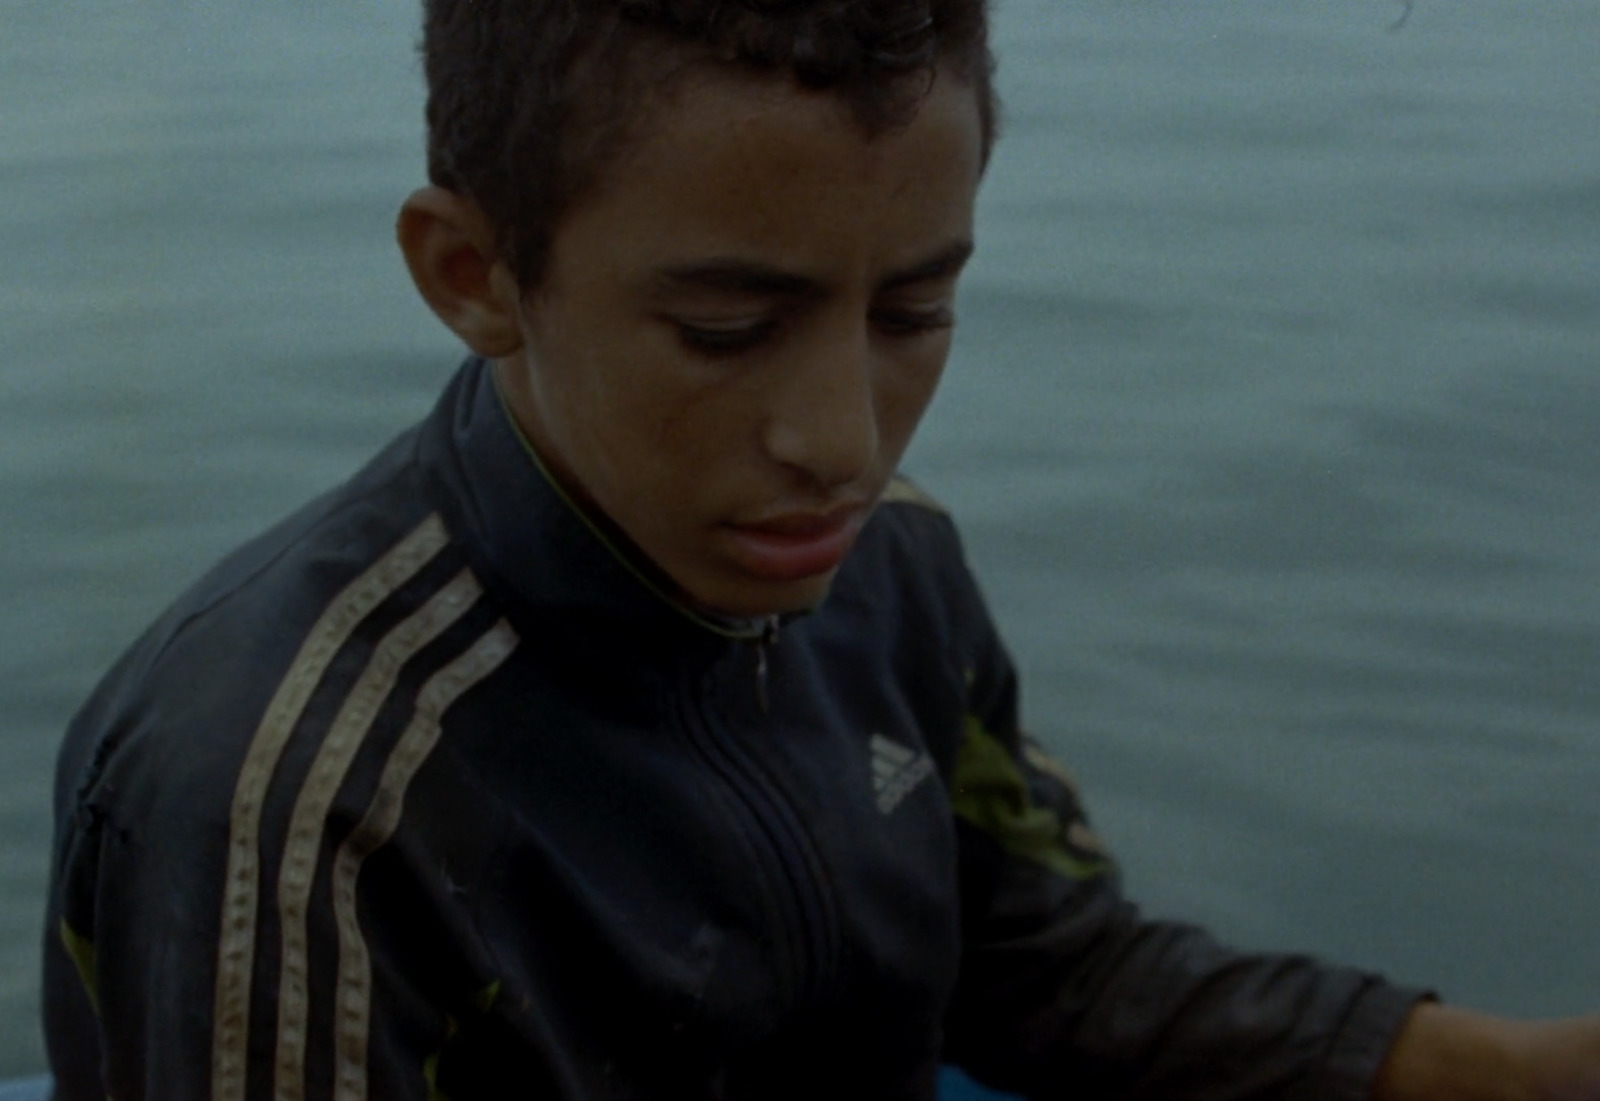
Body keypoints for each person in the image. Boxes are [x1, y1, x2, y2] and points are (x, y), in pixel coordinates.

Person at [37, 0, 1600, 1098]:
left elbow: (1047, 966)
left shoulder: (892, 570)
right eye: (730, 327)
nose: (845, 440)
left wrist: (1514, 1070)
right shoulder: (289, 798)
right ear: (472, 272)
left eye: (916, 310)